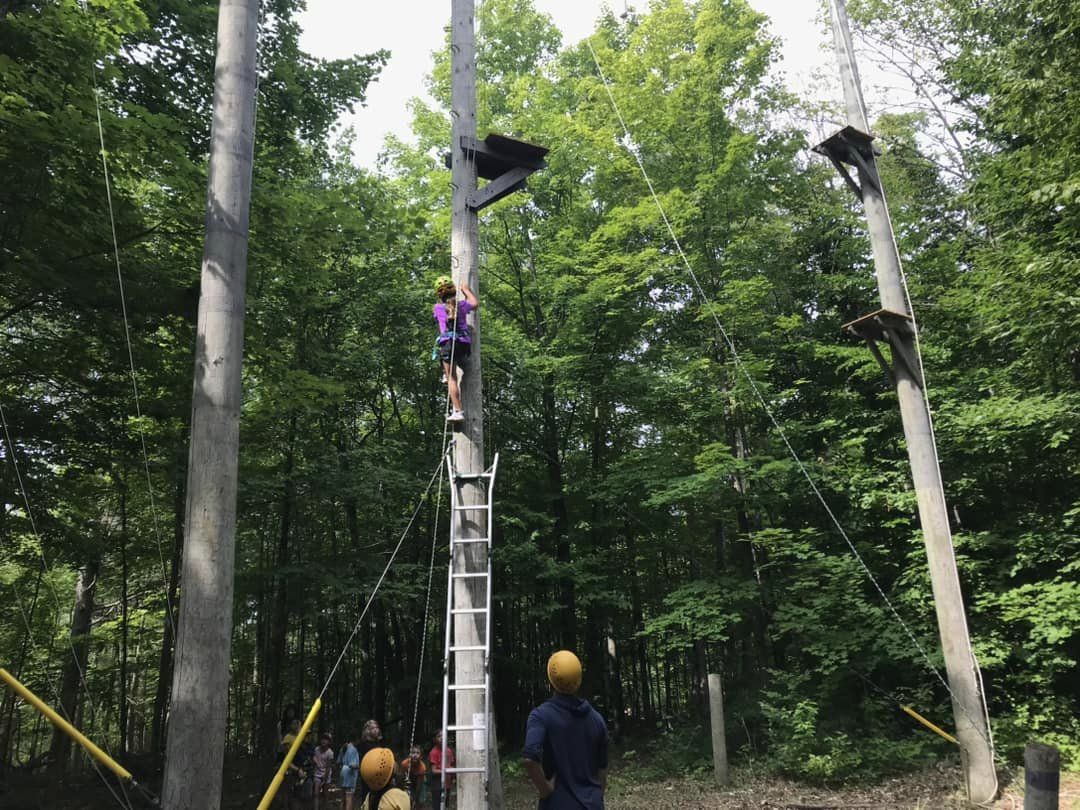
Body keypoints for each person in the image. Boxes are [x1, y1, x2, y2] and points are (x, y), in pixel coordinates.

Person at [523, 650, 609, 810]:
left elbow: (530, 758)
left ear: (551, 678)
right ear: (579, 678)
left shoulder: (540, 716)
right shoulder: (597, 719)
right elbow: (602, 772)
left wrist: (546, 790)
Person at [432, 276, 478, 423]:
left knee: (452, 378)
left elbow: (440, 319)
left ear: (439, 294)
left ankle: (458, 411)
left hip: (448, 344)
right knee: (454, 369)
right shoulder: (462, 305)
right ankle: (448, 372)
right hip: (463, 344)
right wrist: (466, 290)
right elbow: (475, 303)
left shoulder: (438, 308)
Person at [356, 719, 384, 806]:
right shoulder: (364, 744)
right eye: (373, 728)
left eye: (377, 728)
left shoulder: (378, 743)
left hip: (378, 773)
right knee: (366, 795)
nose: (376, 730)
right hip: (367, 773)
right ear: (368, 730)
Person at [428, 730, 455, 810]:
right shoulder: (434, 752)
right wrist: (446, 770)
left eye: (443, 736)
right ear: (435, 739)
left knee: (445, 805)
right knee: (437, 806)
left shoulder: (449, 751)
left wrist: (453, 776)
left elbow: (451, 765)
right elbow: (434, 770)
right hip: (437, 784)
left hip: (447, 783)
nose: (441, 738)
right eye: (439, 736)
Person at [313, 733, 335, 809]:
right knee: (316, 793)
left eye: (326, 740)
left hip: (326, 774)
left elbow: (328, 767)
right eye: (322, 739)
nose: (324, 741)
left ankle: (325, 808)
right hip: (317, 774)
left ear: (328, 742)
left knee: (325, 794)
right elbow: (314, 759)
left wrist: (324, 780)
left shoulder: (330, 753)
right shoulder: (316, 749)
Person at [340, 731, 362, 810]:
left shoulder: (344, 747)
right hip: (350, 776)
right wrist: (360, 766)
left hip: (343, 773)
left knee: (343, 798)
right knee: (349, 798)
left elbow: (339, 761)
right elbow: (352, 765)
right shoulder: (353, 750)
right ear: (356, 740)